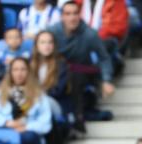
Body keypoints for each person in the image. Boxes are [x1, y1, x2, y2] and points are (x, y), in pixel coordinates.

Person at [49, 0, 114, 133]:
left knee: (75, 77)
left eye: (75, 13)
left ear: (80, 15)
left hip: (82, 73)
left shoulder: (90, 34)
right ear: (62, 16)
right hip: (57, 73)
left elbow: (104, 57)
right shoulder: (52, 32)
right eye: (67, 14)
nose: (72, 17)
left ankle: (78, 117)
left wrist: (106, 80)